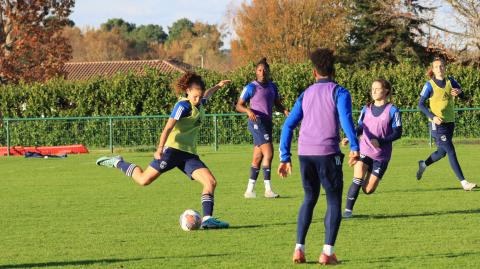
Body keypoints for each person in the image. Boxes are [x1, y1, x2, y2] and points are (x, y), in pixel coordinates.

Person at [96, 72, 231, 229]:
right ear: (188, 90)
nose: (199, 99)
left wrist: (218, 86)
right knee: (143, 180)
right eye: (196, 96)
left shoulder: (200, 103)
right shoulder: (183, 106)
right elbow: (168, 127)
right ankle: (118, 162)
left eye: (200, 96)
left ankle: (207, 219)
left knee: (210, 182)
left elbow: (208, 95)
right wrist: (159, 149)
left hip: (188, 154)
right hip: (172, 151)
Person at [277, 48, 359, 265]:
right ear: (333, 71)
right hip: (328, 154)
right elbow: (346, 121)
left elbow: (288, 125)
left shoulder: (305, 93)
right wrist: (355, 146)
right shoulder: (340, 92)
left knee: (309, 198)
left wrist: (285, 156)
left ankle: (299, 250)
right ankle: (327, 253)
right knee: (333, 201)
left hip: (305, 154)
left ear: (314, 73)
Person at [342, 79, 402, 218]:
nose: (373, 91)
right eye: (372, 88)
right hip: (364, 150)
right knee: (357, 178)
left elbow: (398, 132)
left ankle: (368, 173)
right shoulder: (366, 109)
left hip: (381, 156)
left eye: (377, 88)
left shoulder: (392, 110)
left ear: (386, 90)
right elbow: (360, 127)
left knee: (368, 190)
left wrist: (381, 141)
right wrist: (349, 137)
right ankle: (347, 212)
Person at [416, 57, 477, 191]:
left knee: (442, 152)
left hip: (450, 122)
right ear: (433, 69)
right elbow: (420, 105)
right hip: (437, 124)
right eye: (436, 66)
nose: (439, 68)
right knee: (450, 150)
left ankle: (424, 164)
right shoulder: (429, 85)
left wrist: (459, 92)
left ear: (445, 67)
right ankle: (464, 183)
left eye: (442, 66)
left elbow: (463, 96)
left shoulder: (451, 81)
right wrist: (433, 117)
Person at [236, 58, 289, 198]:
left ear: (268, 71)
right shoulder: (250, 87)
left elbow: (277, 103)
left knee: (258, 156)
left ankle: (249, 191)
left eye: (265, 70)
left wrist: (284, 110)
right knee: (269, 153)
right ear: (256, 72)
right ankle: (268, 190)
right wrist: (248, 111)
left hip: (267, 123)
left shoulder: (273, 86)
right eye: (260, 70)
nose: (262, 72)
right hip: (256, 121)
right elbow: (238, 105)